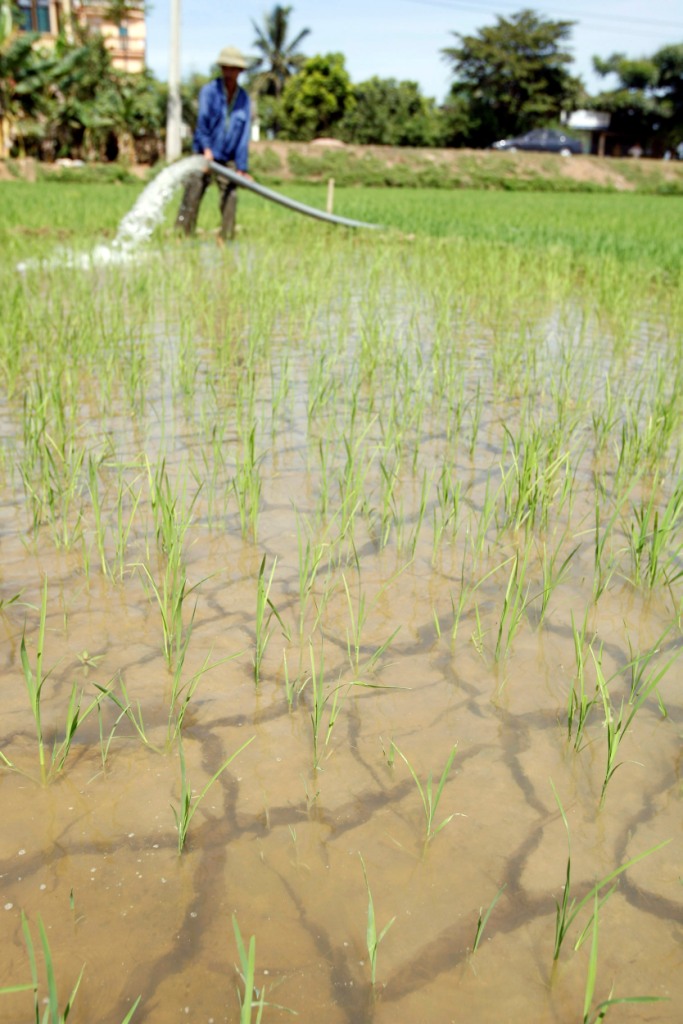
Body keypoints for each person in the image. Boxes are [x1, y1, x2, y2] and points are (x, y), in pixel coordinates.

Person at [176, 46, 252, 240]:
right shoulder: (209, 92)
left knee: (230, 195)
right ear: (221, 68)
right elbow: (202, 123)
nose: (230, 73)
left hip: (228, 156)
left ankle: (225, 238)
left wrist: (241, 167)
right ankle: (182, 234)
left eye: (234, 69)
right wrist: (206, 149)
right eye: (226, 68)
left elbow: (244, 136)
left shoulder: (244, 99)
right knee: (194, 189)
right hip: (205, 152)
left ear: (240, 71)